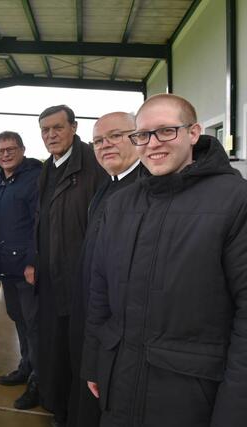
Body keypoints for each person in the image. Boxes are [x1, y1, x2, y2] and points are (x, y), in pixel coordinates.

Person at [83, 94, 247, 427]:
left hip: (189, 395)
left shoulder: (235, 200)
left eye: (166, 131)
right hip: (120, 382)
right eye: (143, 134)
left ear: (194, 133)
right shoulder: (120, 203)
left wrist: (235, 408)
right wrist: (94, 362)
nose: (153, 143)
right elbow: (99, 294)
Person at [67, 112, 143, 427]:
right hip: (94, 314)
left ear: (139, 137)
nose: (105, 145)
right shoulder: (107, 186)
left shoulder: (145, 188)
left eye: (115, 136)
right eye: (98, 140)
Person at [35, 105, 107, 426]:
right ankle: (56, 404)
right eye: (45, 130)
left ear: (74, 128)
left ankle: (73, 414)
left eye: (57, 128)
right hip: (51, 276)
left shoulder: (93, 165)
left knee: (77, 351)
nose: (51, 135)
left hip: (80, 279)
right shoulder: (47, 168)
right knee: (54, 347)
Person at [0, 131, 42, 409]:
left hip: (25, 269)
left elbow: (39, 224)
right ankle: (26, 367)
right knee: (18, 319)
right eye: (1, 150)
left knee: (34, 326)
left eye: (11, 149)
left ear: (22, 149)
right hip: (5, 267)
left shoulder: (34, 179)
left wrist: (33, 262)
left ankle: (39, 382)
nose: (5, 154)